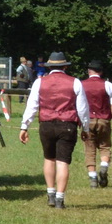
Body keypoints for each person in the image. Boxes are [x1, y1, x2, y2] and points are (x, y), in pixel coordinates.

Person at [19, 51, 90, 208]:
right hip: (68, 125)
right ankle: (60, 198)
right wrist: (86, 128)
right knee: (63, 162)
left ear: (49, 66)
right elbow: (83, 109)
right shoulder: (75, 82)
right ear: (65, 66)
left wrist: (25, 126)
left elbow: (32, 106)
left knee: (49, 158)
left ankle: (50, 194)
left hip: (46, 124)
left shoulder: (39, 82)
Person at [80, 60, 112, 188]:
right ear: (101, 72)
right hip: (104, 121)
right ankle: (103, 167)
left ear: (88, 71)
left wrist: (80, 123)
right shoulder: (108, 85)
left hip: (88, 121)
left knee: (89, 149)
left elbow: (79, 106)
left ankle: (93, 178)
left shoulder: (81, 85)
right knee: (105, 147)